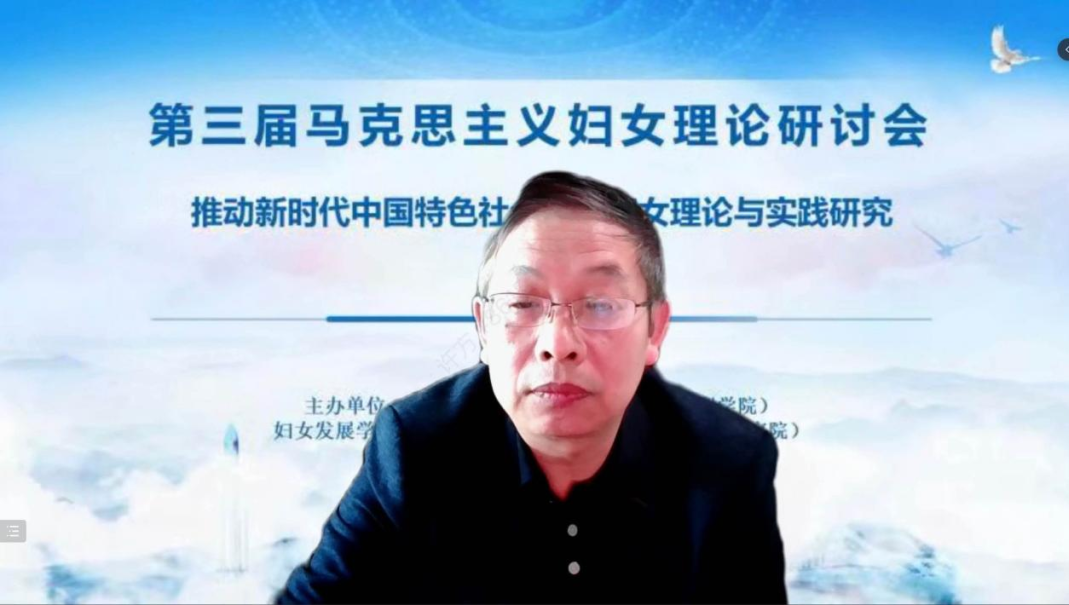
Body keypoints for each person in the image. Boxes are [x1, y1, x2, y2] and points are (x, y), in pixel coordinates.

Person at [275, 171, 787, 603]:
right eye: (522, 304)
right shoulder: (415, 447)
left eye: (600, 305)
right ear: (483, 328)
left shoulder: (730, 465)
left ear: (655, 330)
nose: (557, 345)